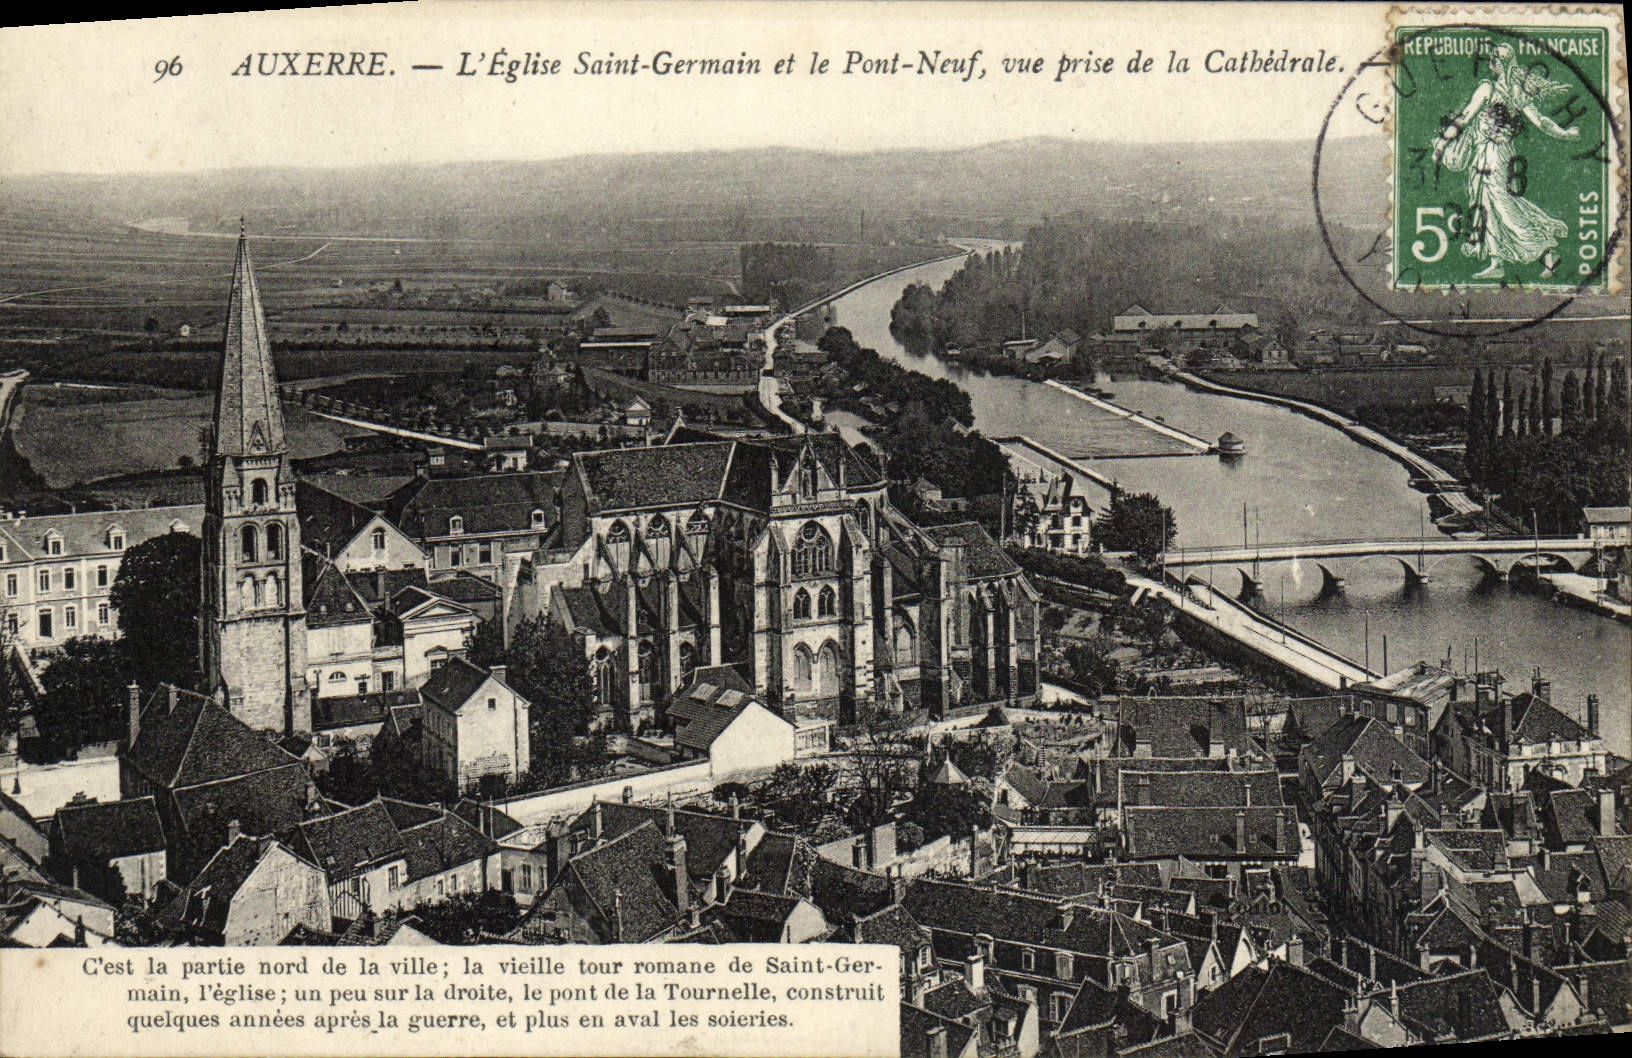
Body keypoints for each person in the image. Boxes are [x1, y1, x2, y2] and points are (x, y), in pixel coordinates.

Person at [1432, 42, 1581, 279]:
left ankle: (1545, 248)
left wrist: (1442, 142)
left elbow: (1466, 117)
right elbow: (1540, 121)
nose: (1492, 63)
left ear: (1499, 64)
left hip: (1495, 156)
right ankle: (1497, 262)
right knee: (1485, 203)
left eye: (1495, 59)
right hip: (1489, 155)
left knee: (1502, 204)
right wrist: (1564, 133)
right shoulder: (1509, 91)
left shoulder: (1492, 89)